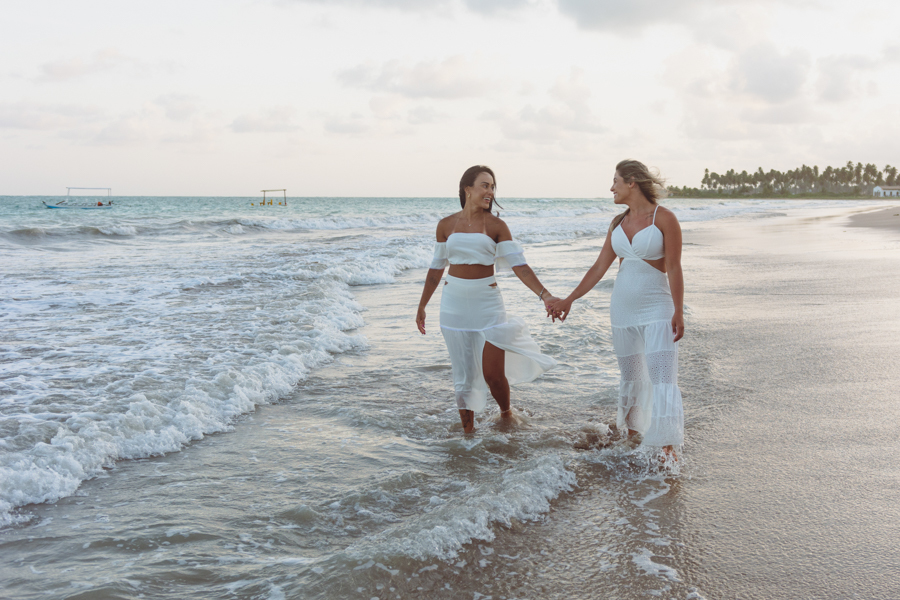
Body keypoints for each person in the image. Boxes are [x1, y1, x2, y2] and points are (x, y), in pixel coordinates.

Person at [547, 160, 685, 459]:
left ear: (632, 182)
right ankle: (634, 442)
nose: (612, 188)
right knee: (632, 377)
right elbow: (599, 267)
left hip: (657, 309)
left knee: (662, 379)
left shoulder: (665, 219)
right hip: (622, 312)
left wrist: (679, 311)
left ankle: (667, 449)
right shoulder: (616, 224)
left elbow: (673, 267)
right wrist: (569, 299)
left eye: (616, 181)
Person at [417, 165, 559, 434]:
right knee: (464, 374)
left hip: (488, 302)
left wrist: (545, 295)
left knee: (493, 374)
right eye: (485, 185)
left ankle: (506, 414)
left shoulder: (496, 225)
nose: (490, 191)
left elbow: (520, 266)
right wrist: (422, 305)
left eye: (493, 186)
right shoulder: (446, 225)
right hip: (454, 305)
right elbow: (436, 269)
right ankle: (468, 434)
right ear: (467, 189)